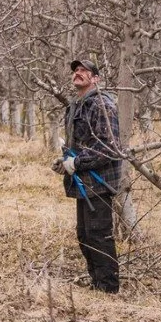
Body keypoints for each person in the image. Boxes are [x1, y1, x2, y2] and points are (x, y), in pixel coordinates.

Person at [52, 59, 122, 293]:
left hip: (99, 183)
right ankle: (97, 283)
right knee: (84, 235)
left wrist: (77, 162)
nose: (78, 73)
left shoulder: (103, 105)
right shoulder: (75, 106)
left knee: (99, 235)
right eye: (76, 70)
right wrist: (65, 161)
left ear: (95, 78)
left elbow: (108, 148)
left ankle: (108, 288)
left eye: (84, 71)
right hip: (83, 182)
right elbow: (79, 144)